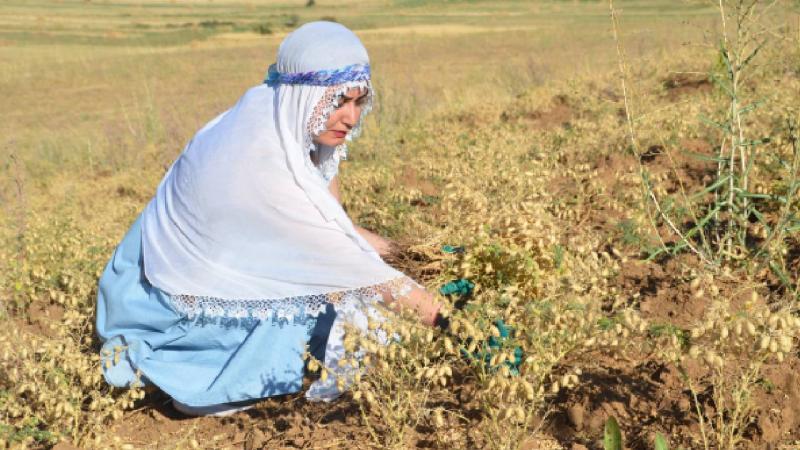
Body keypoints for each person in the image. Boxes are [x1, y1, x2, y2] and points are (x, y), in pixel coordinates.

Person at [95, 21, 444, 417]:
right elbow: (350, 267)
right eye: (338, 102)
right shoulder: (263, 159)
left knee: (338, 296)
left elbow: (338, 229)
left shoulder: (282, 117)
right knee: (317, 298)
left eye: (358, 102)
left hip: (181, 273)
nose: (349, 117)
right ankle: (209, 381)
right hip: (161, 306)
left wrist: (418, 256)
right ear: (306, 95)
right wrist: (449, 322)